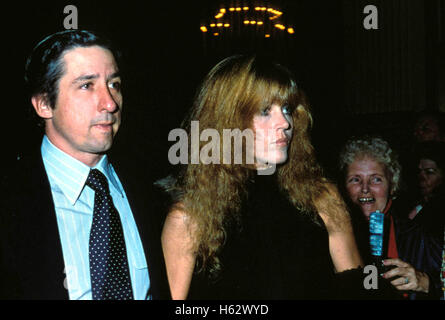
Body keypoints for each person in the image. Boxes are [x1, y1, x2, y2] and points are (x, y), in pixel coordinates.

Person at [160, 55, 363, 300]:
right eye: (265, 110)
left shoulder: (322, 196)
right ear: (229, 120)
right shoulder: (188, 217)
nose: (285, 123)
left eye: (287, 109)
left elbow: (356, 289)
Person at [0, 30, 170, 300]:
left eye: (114, 84)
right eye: (86, 85)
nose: (110, 103)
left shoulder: (153, 193)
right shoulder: (10, 203)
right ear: (44, 104)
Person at [338, 136, 440, 299]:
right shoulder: (330, 237)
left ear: (392, 185)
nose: (365, 188)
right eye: (355, 179)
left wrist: (426, 283)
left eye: (376, 179)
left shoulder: (419, 236)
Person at [397, 141, 445, 299]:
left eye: (430, 172)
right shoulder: (409, 202)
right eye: (420, 172)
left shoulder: (439, 210)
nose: (422, 177)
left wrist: (428, 283)